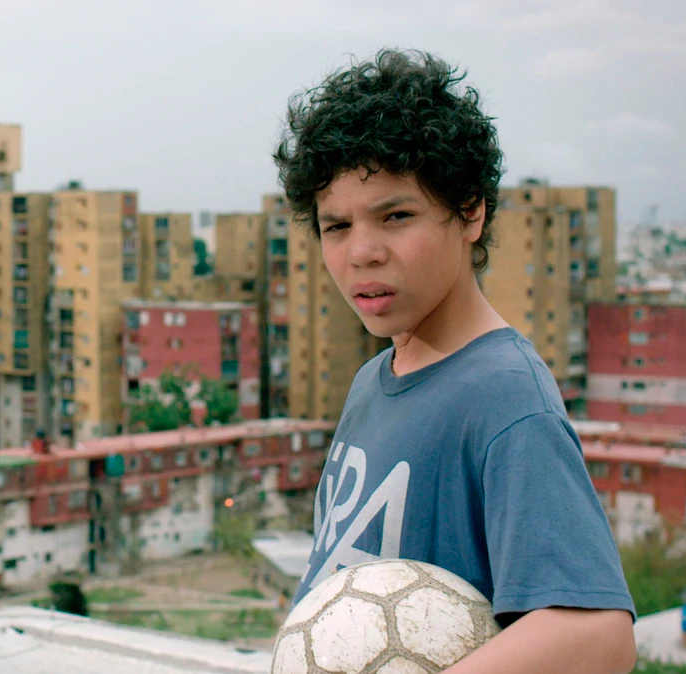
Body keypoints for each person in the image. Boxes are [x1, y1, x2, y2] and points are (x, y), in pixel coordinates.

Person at [272, 49, 637, 672]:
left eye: (396, 216)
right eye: (336, 226)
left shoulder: (506, 399)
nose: (361, 252)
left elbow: (599, 637)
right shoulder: (371, 382)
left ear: (470, 211)